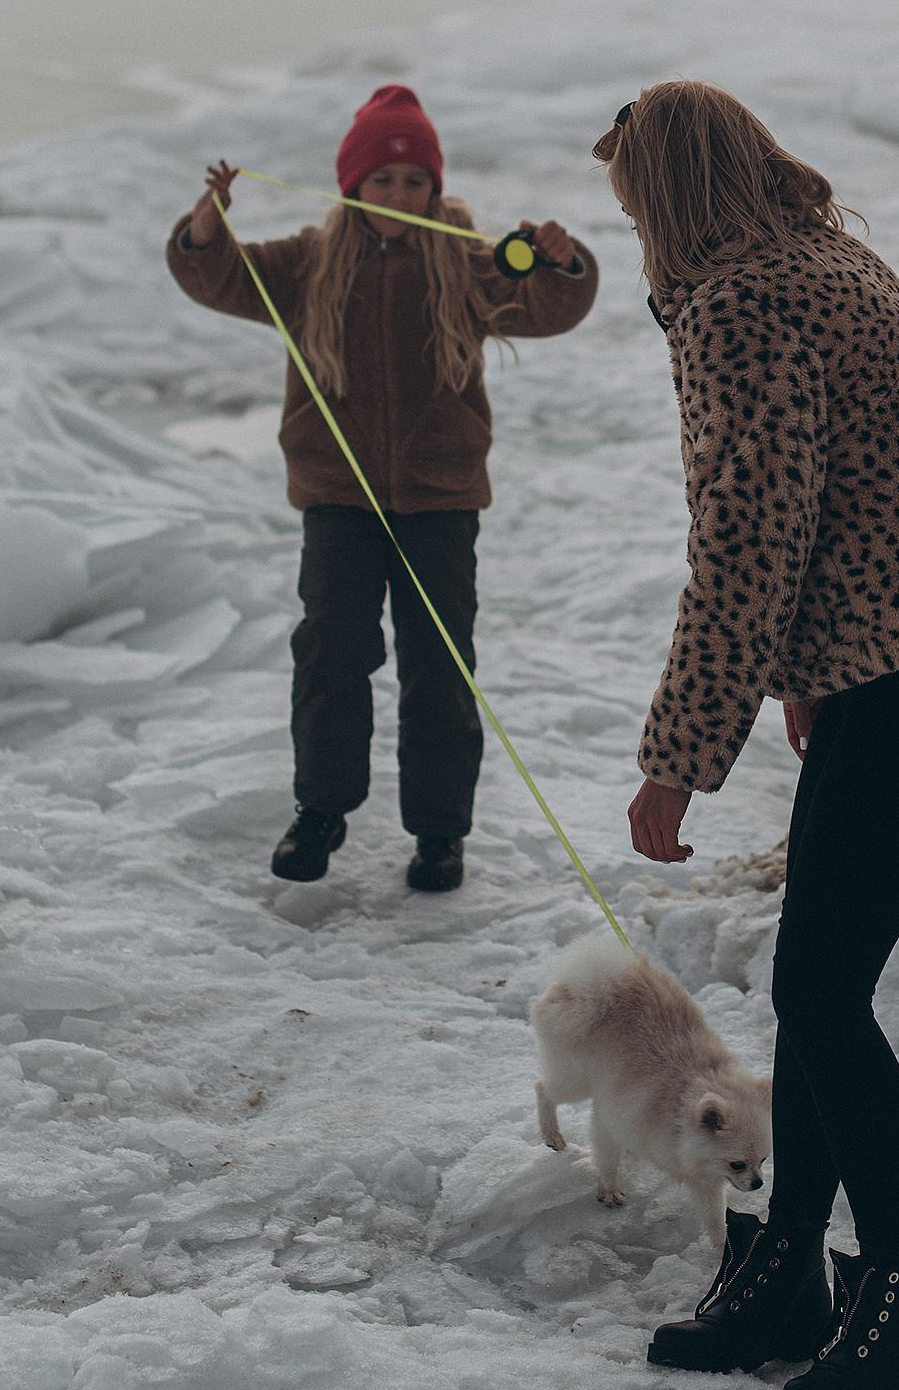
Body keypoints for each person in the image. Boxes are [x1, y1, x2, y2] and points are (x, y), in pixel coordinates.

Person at [601, 81, 899, 1390]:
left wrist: (680, 754)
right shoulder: (830, 255)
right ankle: (789, 1269)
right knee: (813, 985)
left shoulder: (742, 304)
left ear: (668, 197)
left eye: (635, 207)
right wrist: (812, 673)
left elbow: (750, 540)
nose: (634, 236)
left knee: (824, 995)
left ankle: (898, 1296)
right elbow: (868, 481)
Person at [168, 83, 596, 908]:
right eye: (383, 180)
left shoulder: (469, 260)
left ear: (434, 189)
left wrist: (560, 259)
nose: (400, 196)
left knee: (439, 667)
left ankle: (441, 832)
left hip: (441, 503)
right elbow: (220, 278)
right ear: (352, 186)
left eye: (415, 181)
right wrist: (204, 228)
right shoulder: (306, 261)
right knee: (332, 654)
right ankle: (319, 812)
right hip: (339, 500)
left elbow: (550, 306)